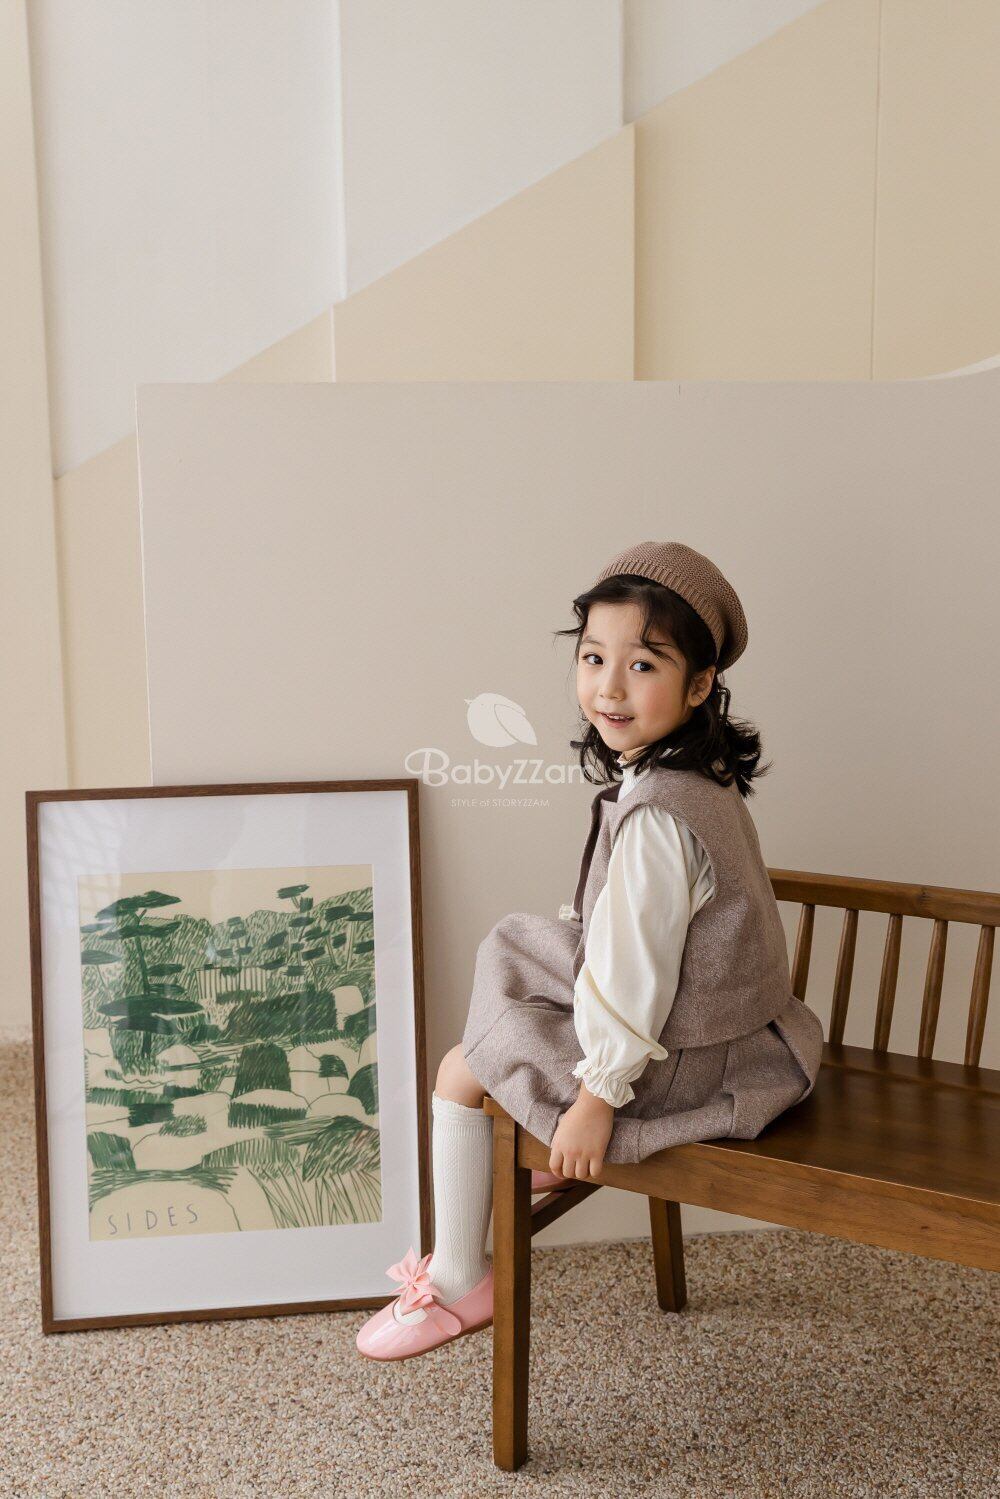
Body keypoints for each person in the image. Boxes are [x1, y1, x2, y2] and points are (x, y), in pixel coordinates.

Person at [356, 540, 824, 1361]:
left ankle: (461, 1278)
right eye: (594, 657)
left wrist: (598, 1095)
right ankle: (524, 1140)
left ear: (700, 683)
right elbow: (633, 946)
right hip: (735, 1032)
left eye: (643, 664)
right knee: (516, 947)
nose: (609, 687)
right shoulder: (693, 776)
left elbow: (637, 970)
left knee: (461, 1071)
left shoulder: (661, 817)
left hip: (690, 1062)